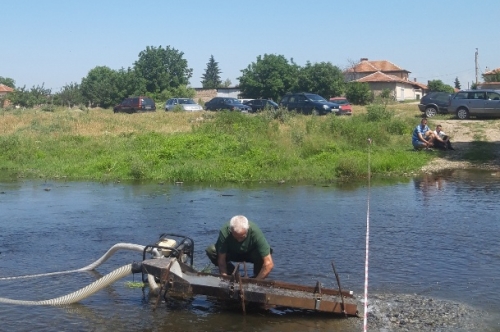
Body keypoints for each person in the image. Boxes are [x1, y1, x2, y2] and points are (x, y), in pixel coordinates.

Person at [205, 215, 274, 279]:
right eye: (236, 237)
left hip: (251, 254)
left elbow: (269, 263)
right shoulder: (225, 231)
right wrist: (224, 278)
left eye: (242, 237)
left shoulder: (255, 231)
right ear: (230, 230)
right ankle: (230, 271)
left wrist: (256, 282)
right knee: (211, 250)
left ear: (247, 229)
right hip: (233, 254)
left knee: (265, 253)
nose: (239, 240)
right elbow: (221, 260)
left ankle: (257, 275)